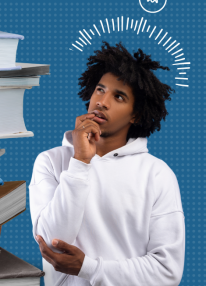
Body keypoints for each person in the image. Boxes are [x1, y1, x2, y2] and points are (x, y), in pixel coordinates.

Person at [29, 42, 185, 286]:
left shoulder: (157, 175)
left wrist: (90, 269)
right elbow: (51, 245)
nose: (102, 102)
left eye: (119, 96)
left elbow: (167, 271)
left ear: (136, 114)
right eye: (100, 90)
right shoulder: (51, 161)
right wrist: (80, 161)